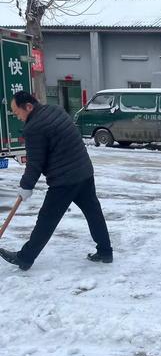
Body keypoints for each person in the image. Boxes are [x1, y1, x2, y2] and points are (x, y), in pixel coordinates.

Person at [0, 91, 113, 271]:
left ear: (28, 107)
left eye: (17, 112)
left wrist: (25, 187)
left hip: (64, 180)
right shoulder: (56, 110)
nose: (17, 116)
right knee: (93, 212)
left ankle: (25, 258)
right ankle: (106, 251)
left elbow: (35, 163)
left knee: (46, 219)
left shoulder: (33, 128)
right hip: (84, 171)